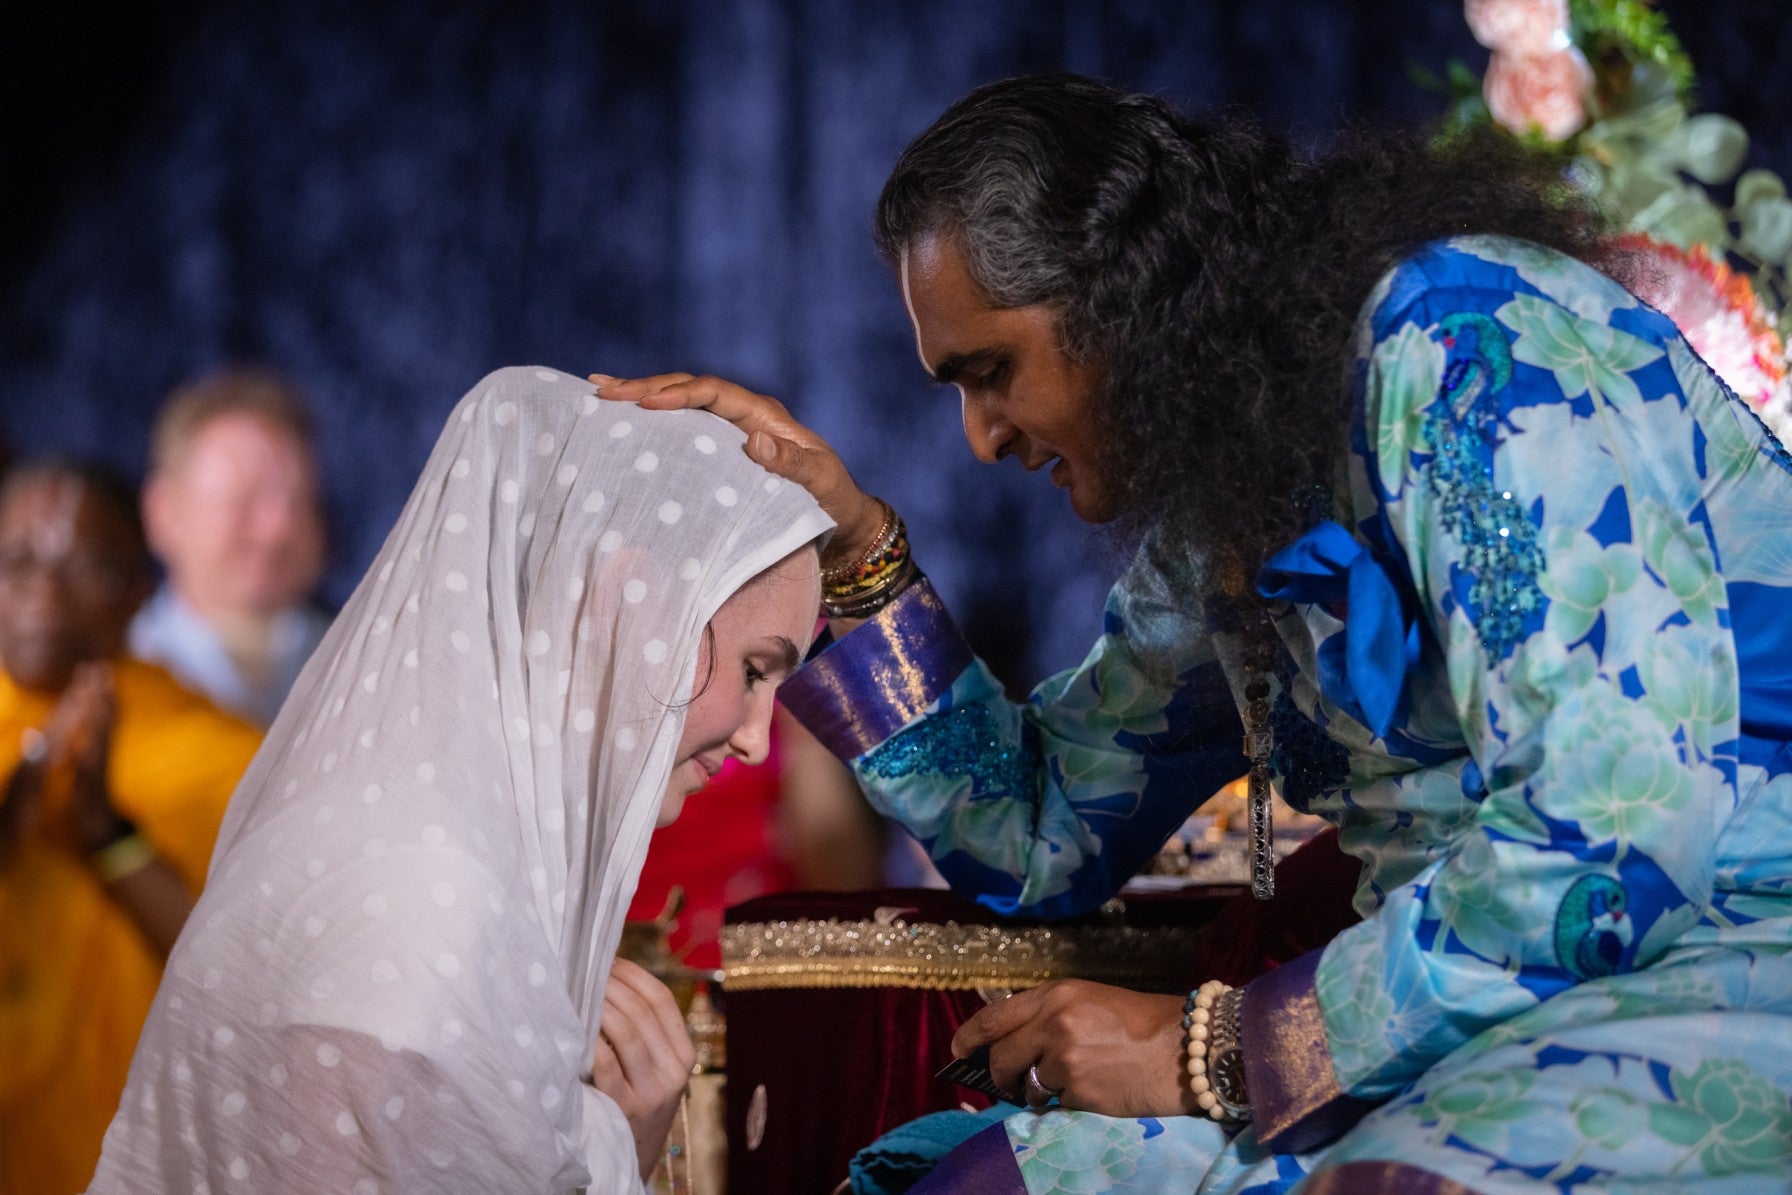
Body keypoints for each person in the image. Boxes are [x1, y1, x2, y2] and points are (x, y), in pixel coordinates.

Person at [597, 75, 1792, 1191]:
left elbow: (1612, 846)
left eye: (990, 371)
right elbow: (1040, 832)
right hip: (1436, 1030)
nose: (980, 438)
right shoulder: (1228, 516)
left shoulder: (1461, 341)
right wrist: (858, 551)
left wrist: (1217, 1051)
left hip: (1705, 963)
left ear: (1119, 300)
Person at [88, 367, 832, 1193]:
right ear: (627, 600)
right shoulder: (431, 906)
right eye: (754, 670)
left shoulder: (445, 852)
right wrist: (626, 1143)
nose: (759, 738)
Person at [0, 460, 262, 1195]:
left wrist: (107, 832)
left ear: (140, 590)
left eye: (86, 566)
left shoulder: (216, 753)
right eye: (18, 561)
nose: (46, 595)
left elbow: (241, 984)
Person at [131, 367, 331, 727]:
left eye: (300, 501)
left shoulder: (366, 658)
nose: (278, 527)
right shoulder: (116, 676)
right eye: (244, 500)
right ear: (164, 513)